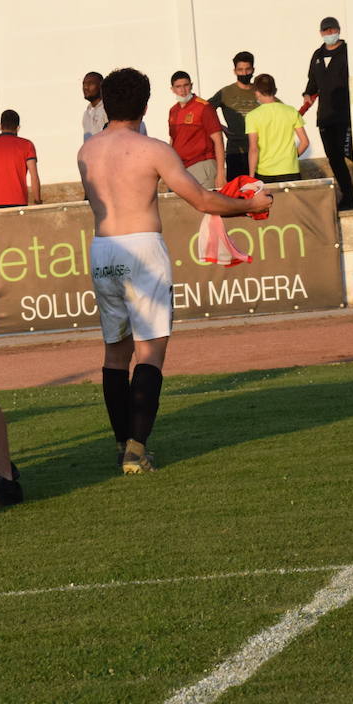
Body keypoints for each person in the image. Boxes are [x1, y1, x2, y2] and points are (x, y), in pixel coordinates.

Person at [78, 68, 271, 474]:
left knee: (116, 354)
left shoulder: (87, 151)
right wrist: (249, 207)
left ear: (105, 104)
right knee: (150, 351)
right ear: (146, 106)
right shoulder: (153, 149)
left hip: (102, 249)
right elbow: (201, 199)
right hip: (142, 247)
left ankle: (120, 443)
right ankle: (136, 449)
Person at [302, 16, 353, 210]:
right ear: (321, 33)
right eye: (325, 31)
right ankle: (349, 196)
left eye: (332, 30)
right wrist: (308, 94)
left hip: (346, 114)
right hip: (326, 116)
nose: (329, 34)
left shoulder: (348, 51)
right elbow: (312, 81)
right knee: (334, 158)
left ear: (339, 30)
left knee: (351, 152)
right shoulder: (317, 55)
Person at [166, 71, 225, 189]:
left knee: (206, 205)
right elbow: (173, 140)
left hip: (202, 165)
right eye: (178, 87)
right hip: (181, 168)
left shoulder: (204, 107)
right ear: (172, 89)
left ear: (191, 85)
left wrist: (221, 173)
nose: (183, 90)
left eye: (186, 85)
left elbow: (218, 140)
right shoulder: (173, 111)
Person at [246, 74, 309, 183]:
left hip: (264, 171)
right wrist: (293, 157)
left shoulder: (252, 116)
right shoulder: (291, 111)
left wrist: (251, 176)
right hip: (290, 170)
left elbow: (253, 149)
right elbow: (305, 142)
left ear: (256, 92)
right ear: (275, 90)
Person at [207, 51, 259, 183]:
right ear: (234, 71)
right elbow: (205, 111)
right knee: (236, 193)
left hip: (261, 151)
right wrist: (220, 127)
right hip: (235, 151)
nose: (244, 73)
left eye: (247, 69)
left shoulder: (261, 91)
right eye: (240, 70)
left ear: (253, 70)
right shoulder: (225, 92)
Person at [0, 109, 41, 208]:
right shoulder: (27, 145)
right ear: (18, 128)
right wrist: (37, 201)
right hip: (19, 201)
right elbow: (34, 177)